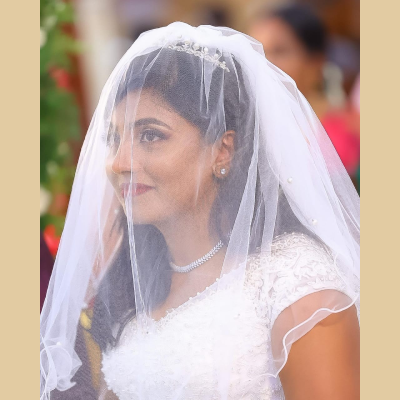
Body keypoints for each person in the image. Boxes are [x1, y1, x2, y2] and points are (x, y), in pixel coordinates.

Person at [40, 22, 360, 400]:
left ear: (222, 150)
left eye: (150, 135)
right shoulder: (134, 286)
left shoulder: (294, 282)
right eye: (114, 138)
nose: (119, 163)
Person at [248, 4, 360, 181]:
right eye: (256, 52)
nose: (264, 63)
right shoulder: (245, 125)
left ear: (315, 62)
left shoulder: (342, 133)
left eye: (279, 51)